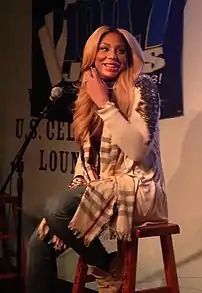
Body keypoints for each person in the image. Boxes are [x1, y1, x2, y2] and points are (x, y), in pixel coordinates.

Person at [26, 25, 168, 293]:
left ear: (129, 57)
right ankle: (111, 263)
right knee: (37, 243)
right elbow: (86, 159)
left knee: (56, 207)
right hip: (102, 187)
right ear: (92, 55)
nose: (112, 56)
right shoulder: (89, 93)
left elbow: (138, 151)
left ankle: (106, 265)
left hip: (138, 188)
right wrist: (80, 183)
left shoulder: (142, 86)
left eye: (120, 51)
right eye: (104, 49)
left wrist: (105, 105)